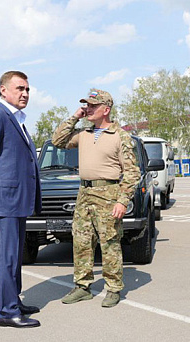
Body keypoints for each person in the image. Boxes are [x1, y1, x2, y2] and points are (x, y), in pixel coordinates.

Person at [52, 89, 139, 308]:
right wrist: (75, 117)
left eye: (93, 105)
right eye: (86, 105)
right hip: (85, 193)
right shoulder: (84, 133)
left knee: (109, 242)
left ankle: (113, 288)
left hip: (108, 194)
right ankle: (83, 287)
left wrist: (122, 200)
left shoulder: (120, 136)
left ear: (106, 109)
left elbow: (131, 172)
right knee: (81, 241)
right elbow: (58, 141)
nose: (88, 108)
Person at [0, 70, 42, 328]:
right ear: (3, 90)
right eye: (19, 88)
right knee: (7, 257)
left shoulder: (17, 119)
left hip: (16, 200)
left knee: (15, 255)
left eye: (27, 90)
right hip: (5, 200)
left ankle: (15, 301)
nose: (25, 94)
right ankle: (7, 311)